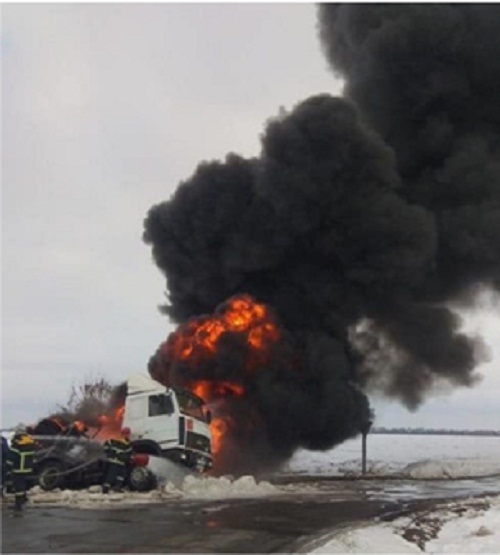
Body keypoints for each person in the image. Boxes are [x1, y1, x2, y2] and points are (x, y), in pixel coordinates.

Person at [7, 424, 36, 515]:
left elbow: (12, 457)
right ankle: (23, 501)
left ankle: (18, 506)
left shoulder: (17, 442)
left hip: (18, 469)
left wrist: (8, 467)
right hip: (28, 468)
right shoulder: (30, 441)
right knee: (23, 486)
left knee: (18, 488)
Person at [102, 427, 133, 494]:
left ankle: (117, 487)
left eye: (128, 433)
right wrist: (109, 453)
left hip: (122, 462)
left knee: (121, 476)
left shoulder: (128, 443)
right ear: (122, 433)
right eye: (125, 433)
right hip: (114, 461)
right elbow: (106, 446)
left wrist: (129, 459)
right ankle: (105, 489)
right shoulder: (115, 440)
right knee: (111, 475)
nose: (127, 435)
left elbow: (129, 453)